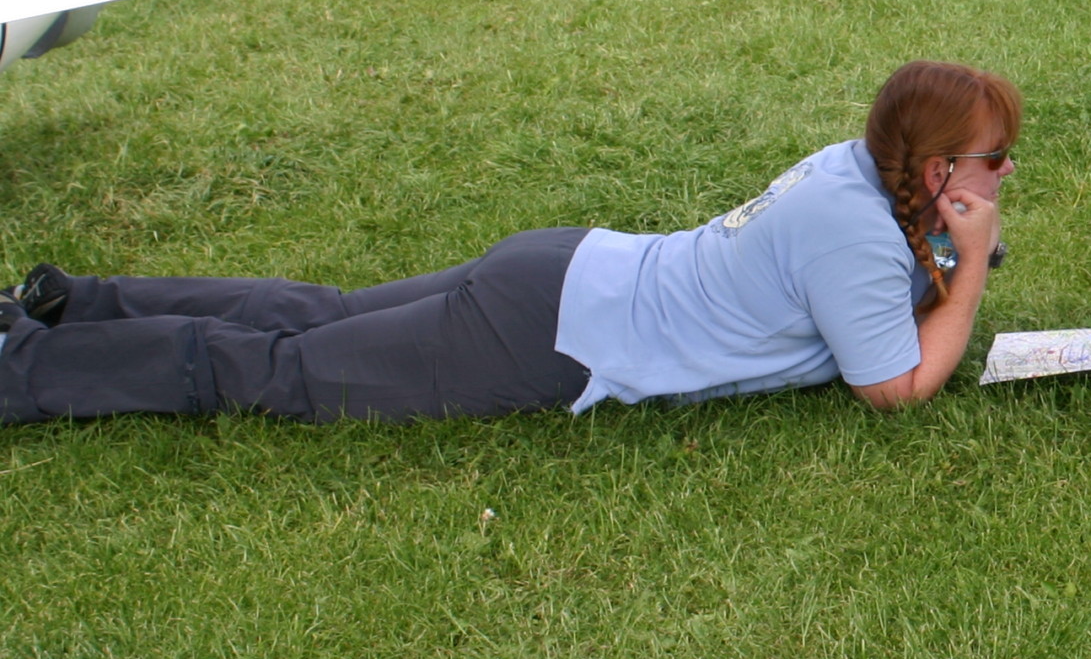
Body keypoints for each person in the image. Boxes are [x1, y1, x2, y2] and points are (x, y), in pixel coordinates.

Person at [0, 62, 1019, 424]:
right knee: (286, 373)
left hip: (565, 267)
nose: (1006, 173)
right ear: (935, 170)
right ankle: (26, 366)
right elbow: (893, 387)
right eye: (993, 158)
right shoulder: (855, 233)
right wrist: (970, 262)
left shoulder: (854, 167)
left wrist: (947, 244)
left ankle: (77, 300)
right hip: (552, 333)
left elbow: (893, 285)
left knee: (320, 315)